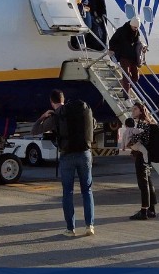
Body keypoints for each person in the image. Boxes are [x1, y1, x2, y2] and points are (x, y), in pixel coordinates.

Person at [34, 89, 95, 236]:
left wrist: (42, 117)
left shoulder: (57, 115)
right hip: (85, 154)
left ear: (51, 102)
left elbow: (35, 130)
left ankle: (70, 229)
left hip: (67, 156)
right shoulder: (82, 109)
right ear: (63, 99)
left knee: (68, 192)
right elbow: (93, 123)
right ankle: (89, 226)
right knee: (87, 191)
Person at [123, 101, 158, 220]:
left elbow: (139, 139)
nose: (132, 111)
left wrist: (129, 142)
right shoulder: (146, 122)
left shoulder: (141, 124)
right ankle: (151, 209)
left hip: (141, 155)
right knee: (148, 181)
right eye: (132, 109)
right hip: (145, 155)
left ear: (141, 111)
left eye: (135, 109)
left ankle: (143, 211)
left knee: (143, 183)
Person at [108, 17, 145, 94]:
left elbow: (137, 43)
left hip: (133, 58)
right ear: (131, 24)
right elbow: (112, 41)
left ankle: (124, 87)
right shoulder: (121, 31)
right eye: (134, 27)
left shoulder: (136, 32)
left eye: (137, 27)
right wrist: (111, 49)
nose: (135, 29)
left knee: (136, 77)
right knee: (126, 76)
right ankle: (126, 96)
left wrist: (142, 47)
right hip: (124, 57)